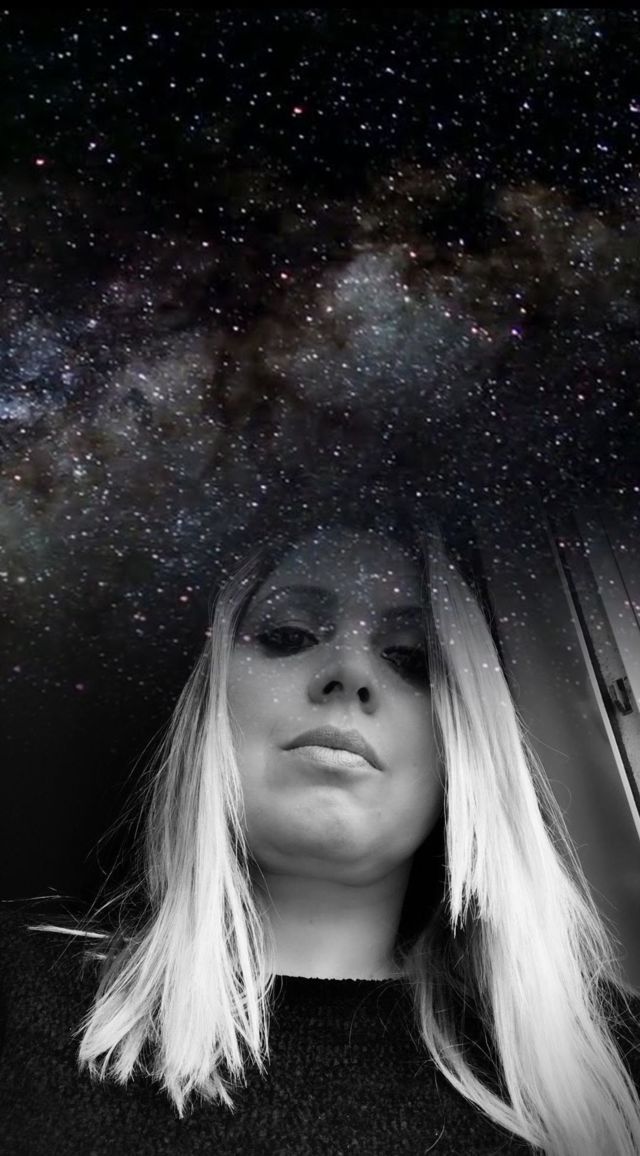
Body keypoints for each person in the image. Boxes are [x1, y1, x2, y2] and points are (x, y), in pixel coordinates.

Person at [1, 495, 640, 1156]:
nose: (351, 673)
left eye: (410, 657)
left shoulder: (612, 1063)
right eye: (289, 635)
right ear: (210, 704)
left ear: (463, 747)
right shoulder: (18, 991)